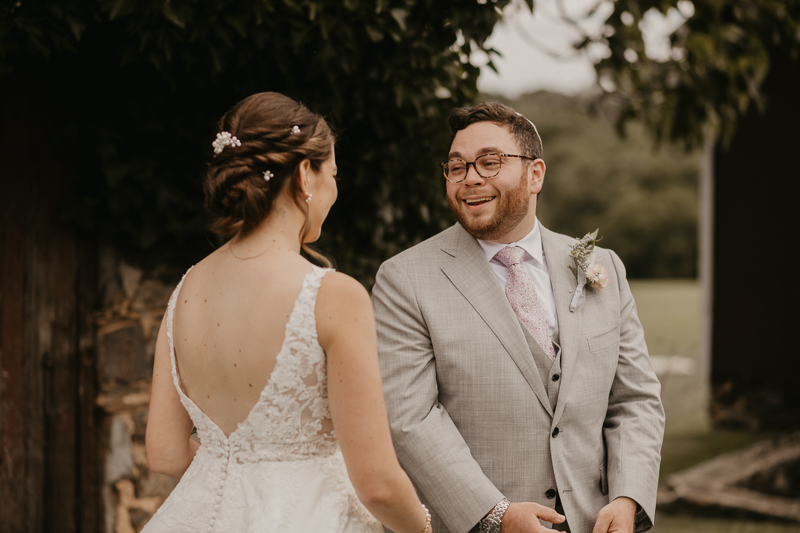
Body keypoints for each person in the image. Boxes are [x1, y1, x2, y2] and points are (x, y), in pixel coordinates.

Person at [143, 92, 432, 533]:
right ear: (305, 176)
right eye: (332, 173)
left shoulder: (184, 291)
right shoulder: (333, 295)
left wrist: (241, 477)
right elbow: (376, 484)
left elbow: (165, 453)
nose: (334, 189)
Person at [372, 102, 665, 533]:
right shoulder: (404, 279)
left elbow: (635, 400)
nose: (470, 177)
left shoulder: (603, 267)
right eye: (457, 167)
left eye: (490, 162)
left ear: (535, 175)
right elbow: (410, 418)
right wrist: (496, 516)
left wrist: (628, 497)